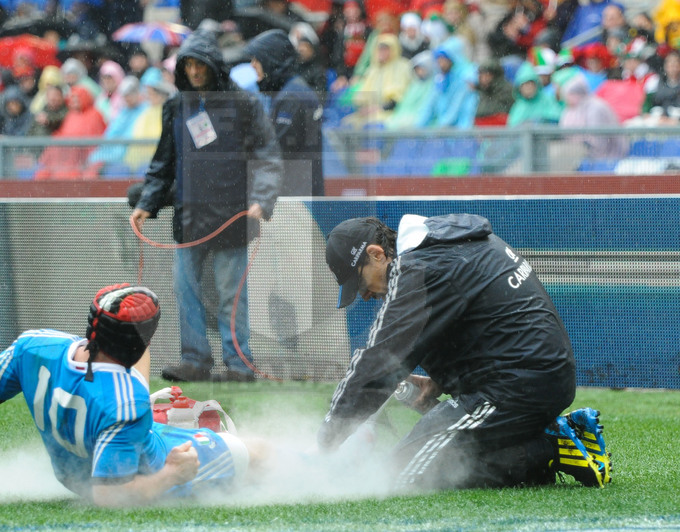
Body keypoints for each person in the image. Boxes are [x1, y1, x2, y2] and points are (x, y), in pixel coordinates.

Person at [318, 214, 612, 491]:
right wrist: (439, 383)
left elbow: (378, 360)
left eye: (360, 282)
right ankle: (547, 437)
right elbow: (480, 326)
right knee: (422, 461)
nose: (365, 295)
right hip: (533, 378)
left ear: (376, 254)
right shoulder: (443, 246)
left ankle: (551, 448)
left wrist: (325, 442)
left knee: (402, 474)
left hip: (516, 387)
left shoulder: (416, 269)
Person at [0, 284, 259, 506]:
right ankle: (309, 461)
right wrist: (172, 474)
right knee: (257, 454)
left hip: (82, 467)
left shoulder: (33, 345)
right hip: (146, 469)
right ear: (138, 342)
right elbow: (108, 497)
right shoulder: (125, 403)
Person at [129, 29, 282, 383]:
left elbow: (267, 155)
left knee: (232, 297)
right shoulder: (175, 107)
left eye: (201, 65)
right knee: (186, 293)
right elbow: (162, 164)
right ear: (182, 68)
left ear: (215, 65)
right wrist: (146, 203)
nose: (196, 72)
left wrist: (263, 199)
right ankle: (195, 361)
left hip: (233, 215)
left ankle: (239, 365)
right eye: (189, 65)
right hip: (188, 217)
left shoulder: (244, 104)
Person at [245, 29, 324, 197]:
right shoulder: (294, 89)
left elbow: (277, 151)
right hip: (303, 192)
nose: (252, 65)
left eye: (257, 59)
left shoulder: (291, 97)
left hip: (296, 199)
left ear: (271, 60)